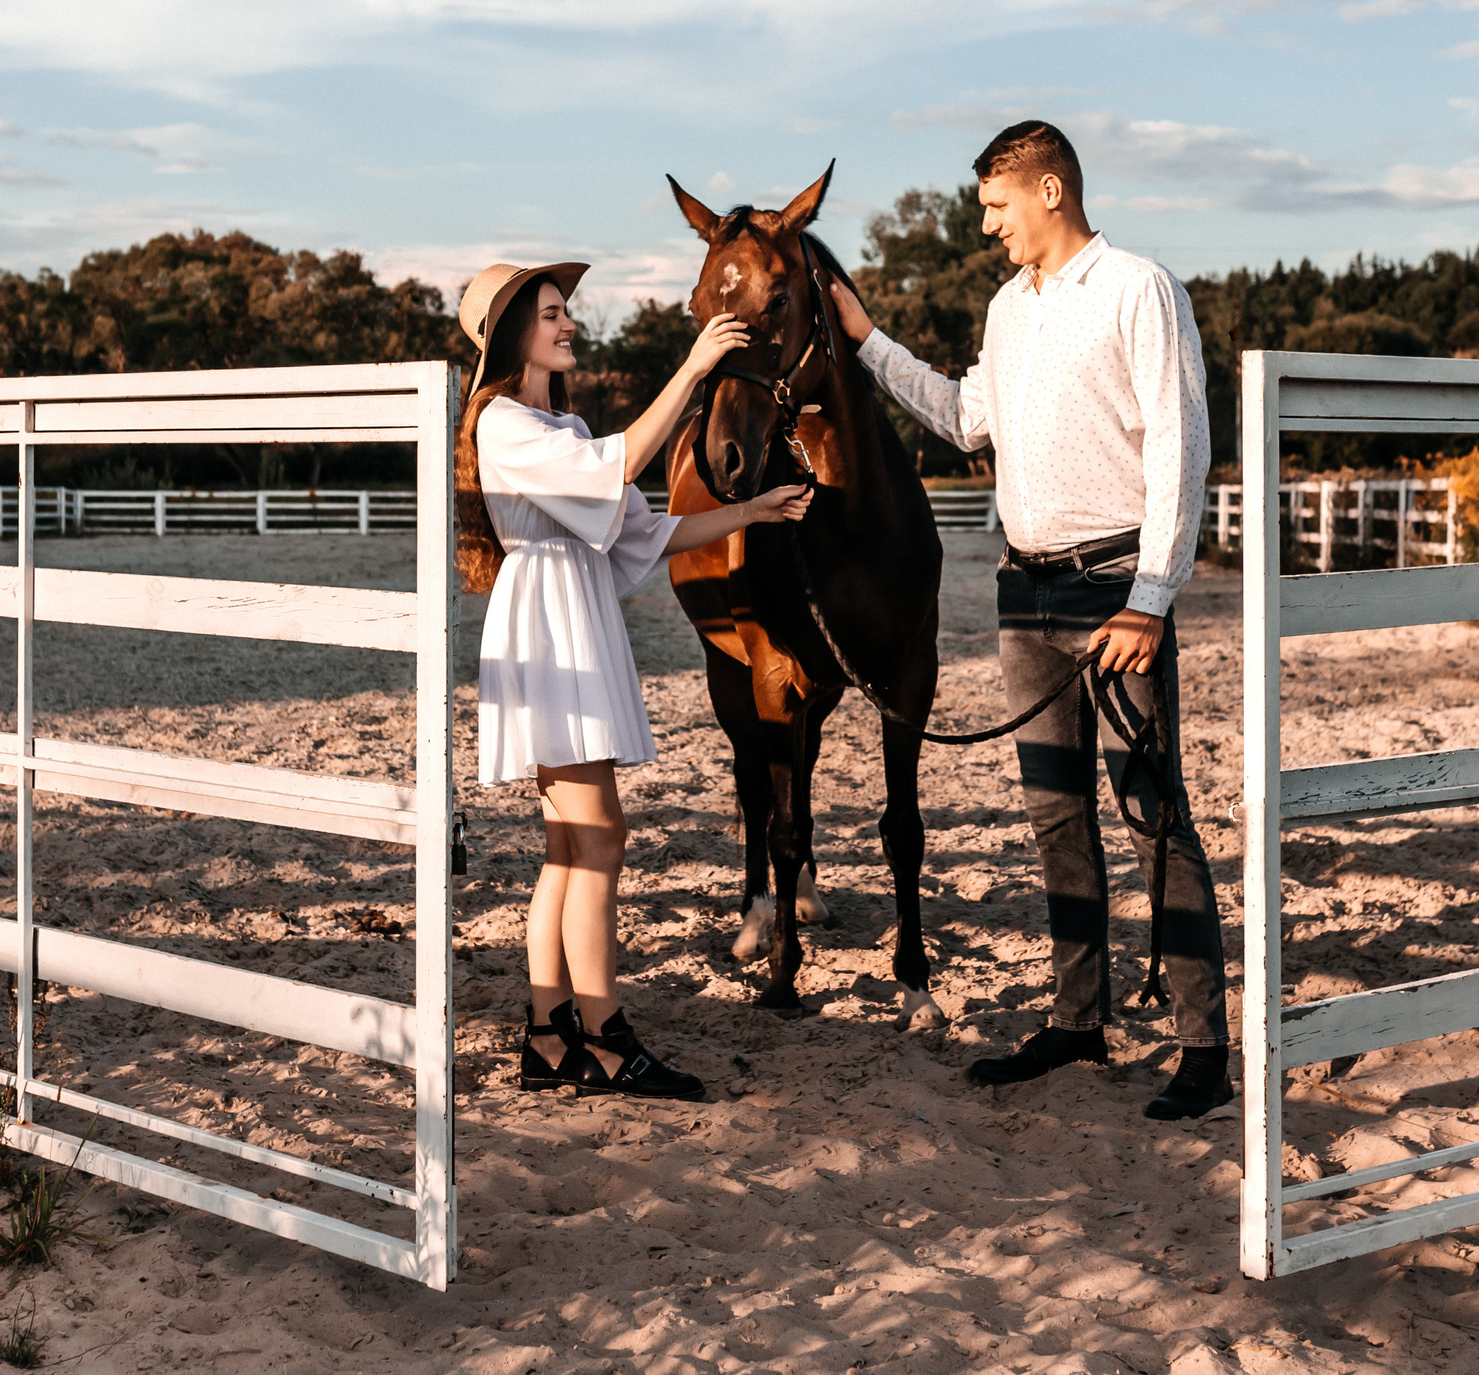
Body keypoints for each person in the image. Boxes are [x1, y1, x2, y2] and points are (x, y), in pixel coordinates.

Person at [825, 121, 1232, 1120]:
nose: (989, 228)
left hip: (1112, 592)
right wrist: (868, 344)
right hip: (1025, 594)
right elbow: (967, 420)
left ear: (1049, 191)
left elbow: (1182, 444)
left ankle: (1202, 1043)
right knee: (1055, 817)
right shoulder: (1008, 309)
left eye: (997, 207)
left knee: (1150, 813)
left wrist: (1151, 595)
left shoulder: (1141, 289)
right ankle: (1077, 1019)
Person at [456, 261, 811, 1101]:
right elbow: (621, 469)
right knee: (598, 835)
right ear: (514, 334)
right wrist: (689, 369)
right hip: (548, 625)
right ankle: (607, 1038)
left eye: (564, 311)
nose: (568, 323)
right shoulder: (502, 422)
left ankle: (549, 1035)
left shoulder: (563, 428)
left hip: (566, 614)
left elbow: (647, 533)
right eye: (551, 313)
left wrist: (753, 512)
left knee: (569, 846)